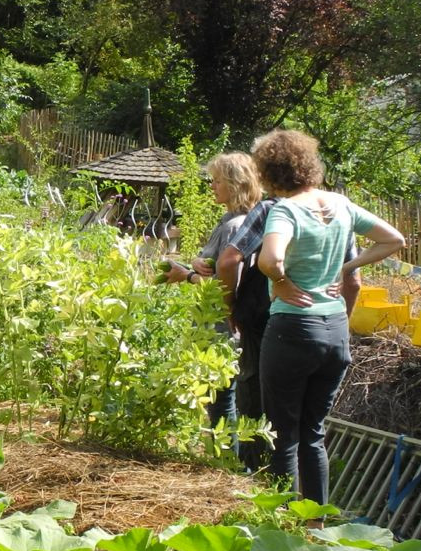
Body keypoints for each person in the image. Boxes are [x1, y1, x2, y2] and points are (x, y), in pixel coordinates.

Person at [244, 129, 404, 505]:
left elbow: (269, 260)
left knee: (282, 434)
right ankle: (314, 521)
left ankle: (282, 523)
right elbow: (393, 239)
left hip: (293, 330)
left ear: (269, 172)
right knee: (313, 434)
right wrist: (350, 266)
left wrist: (279, 282)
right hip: (335, 331)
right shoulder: (340, 204)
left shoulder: (285, 209)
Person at [162, 153, 264, 452]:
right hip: (217, 322)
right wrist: (196, 263)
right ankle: (223, 457)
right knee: (220, 398)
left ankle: (226, 459)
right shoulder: (232, 221)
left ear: (235, 184)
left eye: (217, 181)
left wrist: (188, 276)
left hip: (225, 325)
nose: (212, 187)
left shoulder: (236, 227)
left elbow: (230, 283)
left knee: (222, 400)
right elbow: (215, 265)